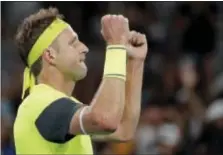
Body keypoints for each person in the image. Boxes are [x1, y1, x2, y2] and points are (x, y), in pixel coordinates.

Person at [13, 7, 148, 154]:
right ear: (50, 55)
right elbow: (105, 119)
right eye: (73, 43)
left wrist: (135, 61)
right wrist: (115, 46)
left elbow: (123, 128)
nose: (84, 48)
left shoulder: (57, 106)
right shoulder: (39, 103)